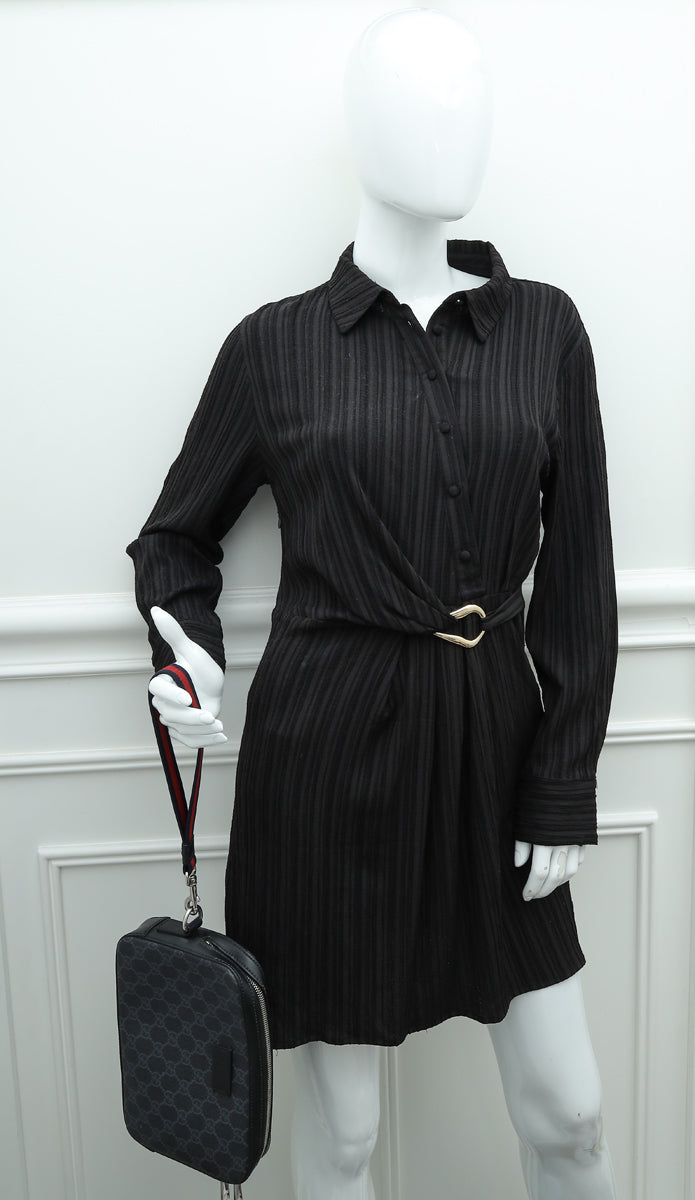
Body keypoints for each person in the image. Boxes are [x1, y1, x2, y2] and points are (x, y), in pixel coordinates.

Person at [127, 9, 618, 1197]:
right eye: (418, 100)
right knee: (344, 1135)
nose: (454, 128)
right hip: (328, 754)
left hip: (496, 746)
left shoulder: (542, 329)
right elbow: (174, 537)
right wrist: (191, 654)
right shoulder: (275, 347)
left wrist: (561, 776)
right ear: (359, 124)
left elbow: (579, 572)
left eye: (470, 100)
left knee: (570, 1114)